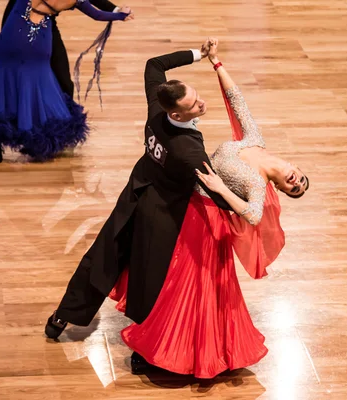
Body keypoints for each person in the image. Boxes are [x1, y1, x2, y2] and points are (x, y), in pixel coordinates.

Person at [107, 39, 310, 378]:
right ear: (297, 165)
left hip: (203, 220)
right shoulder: (253, 139)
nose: (295, 182)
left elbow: (254, 214)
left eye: (294, 188)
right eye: (300, 179)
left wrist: (219, 188)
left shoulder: (258, 183)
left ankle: (166, 350)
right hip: (190, 205)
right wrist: (216, 62)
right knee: (171, 278)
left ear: (280, 188)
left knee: (182, 287)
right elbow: (236, 99)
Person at [44, 43, 234, 360]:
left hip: (134, 193)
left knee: (102, 256)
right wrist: (255, 196)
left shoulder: (157, 108)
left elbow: (153, 64)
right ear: (177, 113)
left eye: (197, 95)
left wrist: (197, 54)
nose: (201, 103)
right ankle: (143, 350)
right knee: (150, 279)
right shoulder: (189, 151)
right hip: (161, 214)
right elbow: (218, 194)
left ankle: (62, 317)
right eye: (194, 104)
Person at [0, 0, 130, 163]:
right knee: (29, 85)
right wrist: (121, 15)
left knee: (2, 84)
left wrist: (116, 10)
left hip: (22, 32)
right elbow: (97, 14)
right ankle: (23, 138)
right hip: (33, 39)